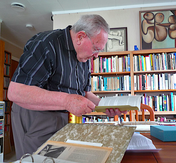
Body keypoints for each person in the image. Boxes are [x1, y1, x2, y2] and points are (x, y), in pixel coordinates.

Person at [7, 14, 127, 159]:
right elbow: (16, 92)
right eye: (96, 48)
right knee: (39, 160)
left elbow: (83, 92)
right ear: (80, 37)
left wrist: (104, 105)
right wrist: (67, 100)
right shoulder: (45, 43)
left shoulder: (85, 57)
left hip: (65, 118)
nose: (96, 56)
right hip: (36, 117)